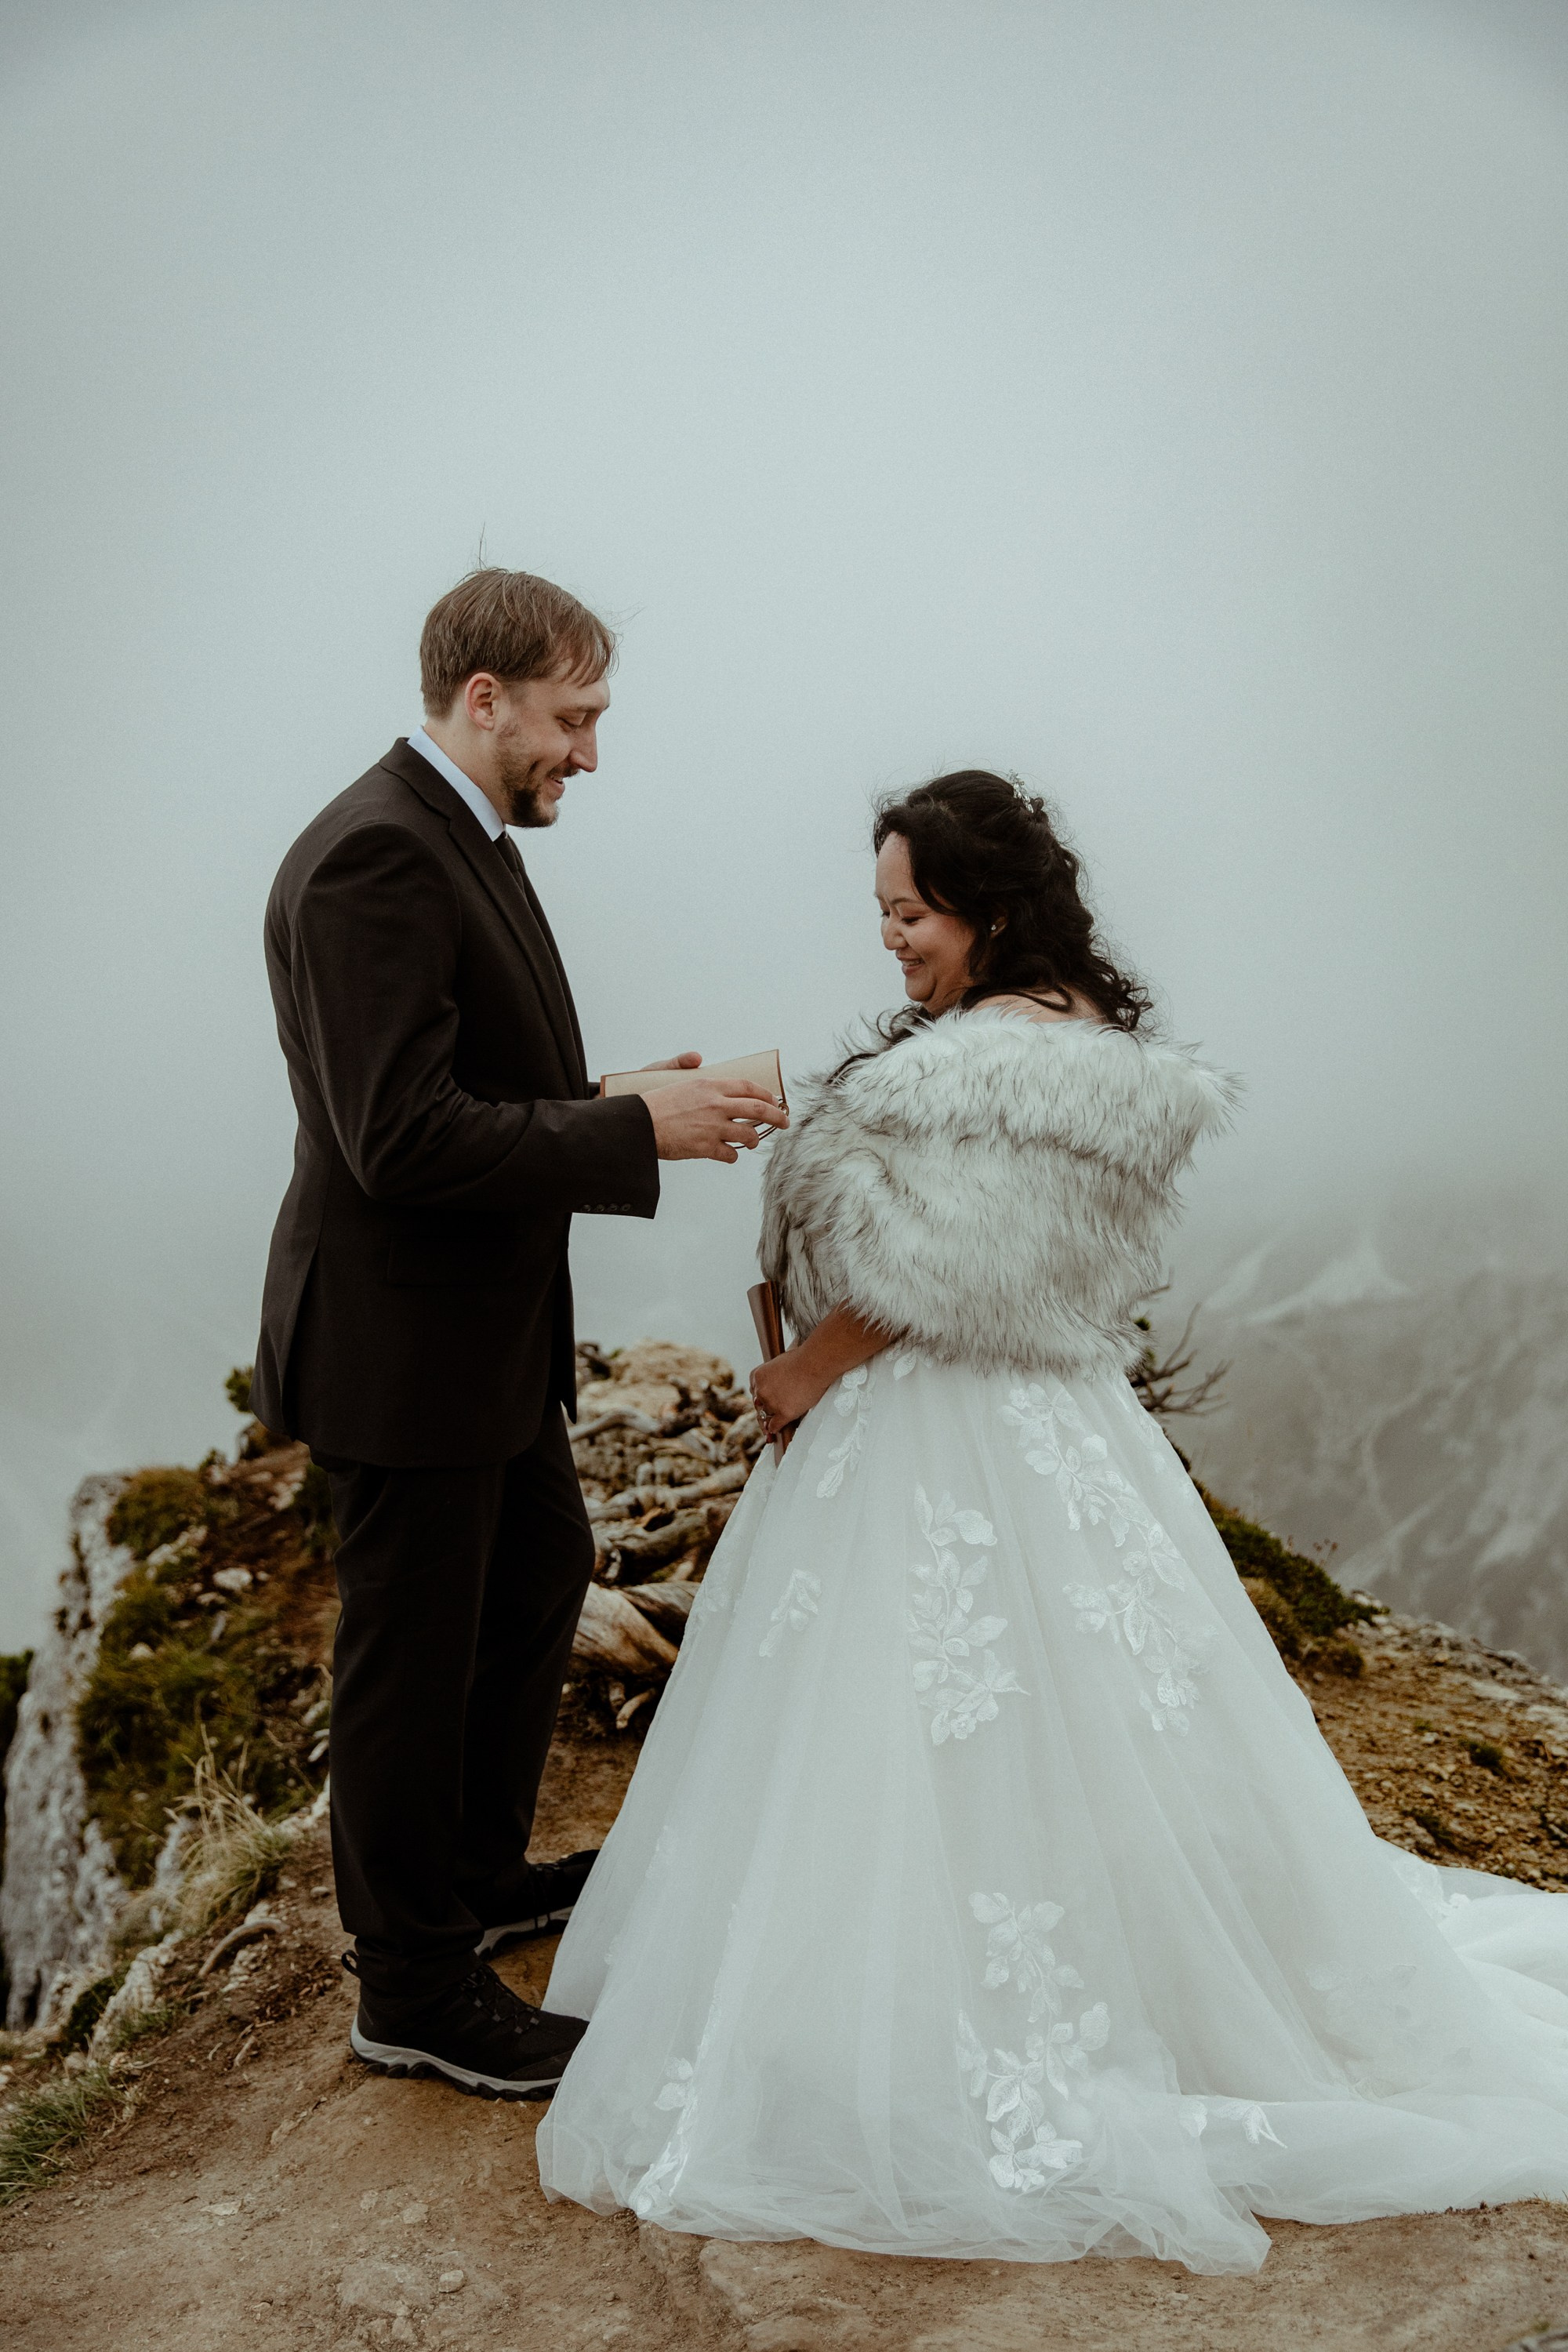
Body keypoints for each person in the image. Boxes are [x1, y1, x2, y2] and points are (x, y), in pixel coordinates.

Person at [536, 771, 1568, 2273]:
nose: (890, 942)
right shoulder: (1084, 1049)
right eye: (883, 913)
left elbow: (923, 1277)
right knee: (1072, 1719)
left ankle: (926, 2013)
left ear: (990, 910)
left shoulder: (983, 1066)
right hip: (1057, 1426)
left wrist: (794, 1378)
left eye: (911, 914)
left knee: (934, 1716)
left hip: (935, 1432)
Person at [249, 567, 784, 2100]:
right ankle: (410, 1986)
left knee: (540, 1571)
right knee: (407, 1657)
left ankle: (469, 1881)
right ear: (482, 700)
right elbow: (396, 1141)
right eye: (574, 718)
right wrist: (632, 1139)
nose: (589, 755)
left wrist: (616, 1096)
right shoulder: (375, 859)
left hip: (474, 1342)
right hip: (401, 1351)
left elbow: (449, 1079)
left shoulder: (449, 835)